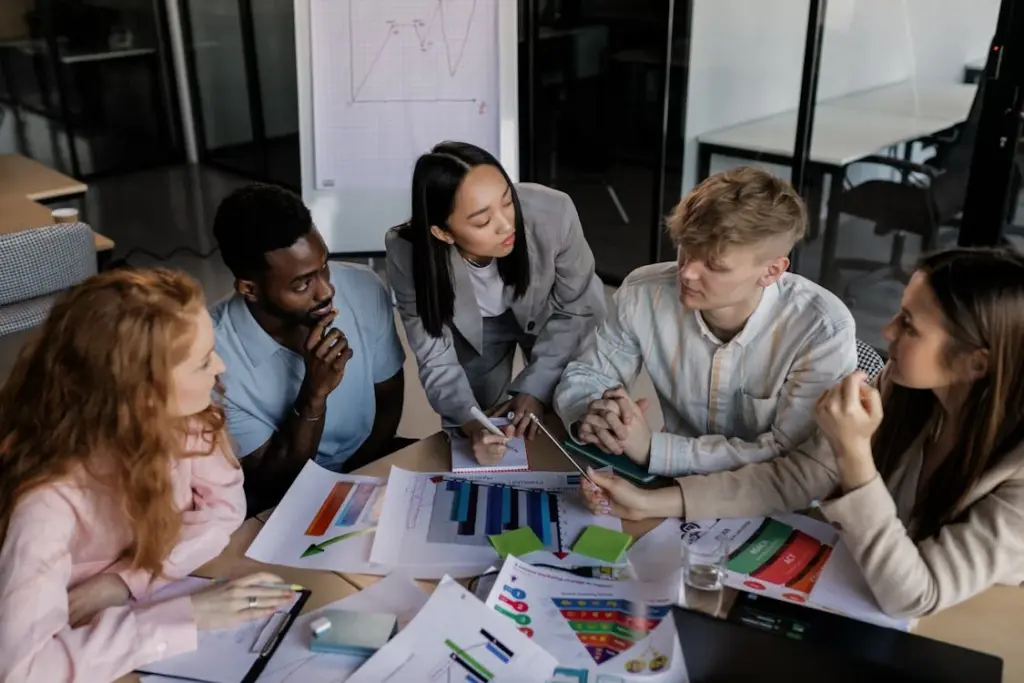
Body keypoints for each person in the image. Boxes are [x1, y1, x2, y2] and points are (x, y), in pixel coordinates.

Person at [581, 247, 1024, 618]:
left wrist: (854, 454)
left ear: (976, 363)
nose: (887, 331)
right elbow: (799, 476)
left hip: (966, 622)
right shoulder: (909, 390)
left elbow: (914, 597)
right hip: (862, 589)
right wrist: (653, 500)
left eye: (909, 325)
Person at [0, 269, 295, 683]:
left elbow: (224, 508)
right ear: (141, 393)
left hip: (116, 618)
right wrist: (185, 616)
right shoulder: (48, 500)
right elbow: (24, 671)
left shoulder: (189, 419)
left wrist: (125, 582)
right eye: (203, 361)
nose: (221, 366)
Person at [554, 166, 856, 476]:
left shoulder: (822, 329)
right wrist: (597, 413)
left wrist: (652, 449)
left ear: (771, 272)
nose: (686, 272)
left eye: (714, 265)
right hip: (669, 481)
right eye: (687, 248)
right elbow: (588, 373)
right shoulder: (642, 293)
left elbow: (791, 454)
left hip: (772, 499)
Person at [386, 141, 605, 465]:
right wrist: (473, 424)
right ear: (443, 233)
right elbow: (435, 356)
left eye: (507, 202)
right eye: (481, 220)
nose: (506, 224)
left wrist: (534, 390)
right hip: (477, 329)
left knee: (568, 409)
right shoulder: (408, 251)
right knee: (480, 423)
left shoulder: (554, 213)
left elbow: (576, 309)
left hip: (555, 315)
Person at [211, 184, 407, 512]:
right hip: (277, 500)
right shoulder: (212, 356)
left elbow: (389, 400)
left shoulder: (363, 287)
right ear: (250, 289)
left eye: (324, 266)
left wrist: (358, 483)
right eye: (303, 284)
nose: (327, 290)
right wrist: (314, 394)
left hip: (365, 466)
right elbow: (271, 481)